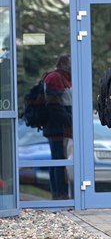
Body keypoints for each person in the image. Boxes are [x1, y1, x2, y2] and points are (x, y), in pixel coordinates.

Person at [43, 54, 72, 200]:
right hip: (57, 128)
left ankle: (61, 194)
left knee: (60, 159)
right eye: (70, 62)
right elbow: (54, 105)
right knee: (58, 160)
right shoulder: (55, 78)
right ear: (63, 64)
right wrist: (68, 122)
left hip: (61, 126)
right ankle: (59, 195)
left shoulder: (66, 78)